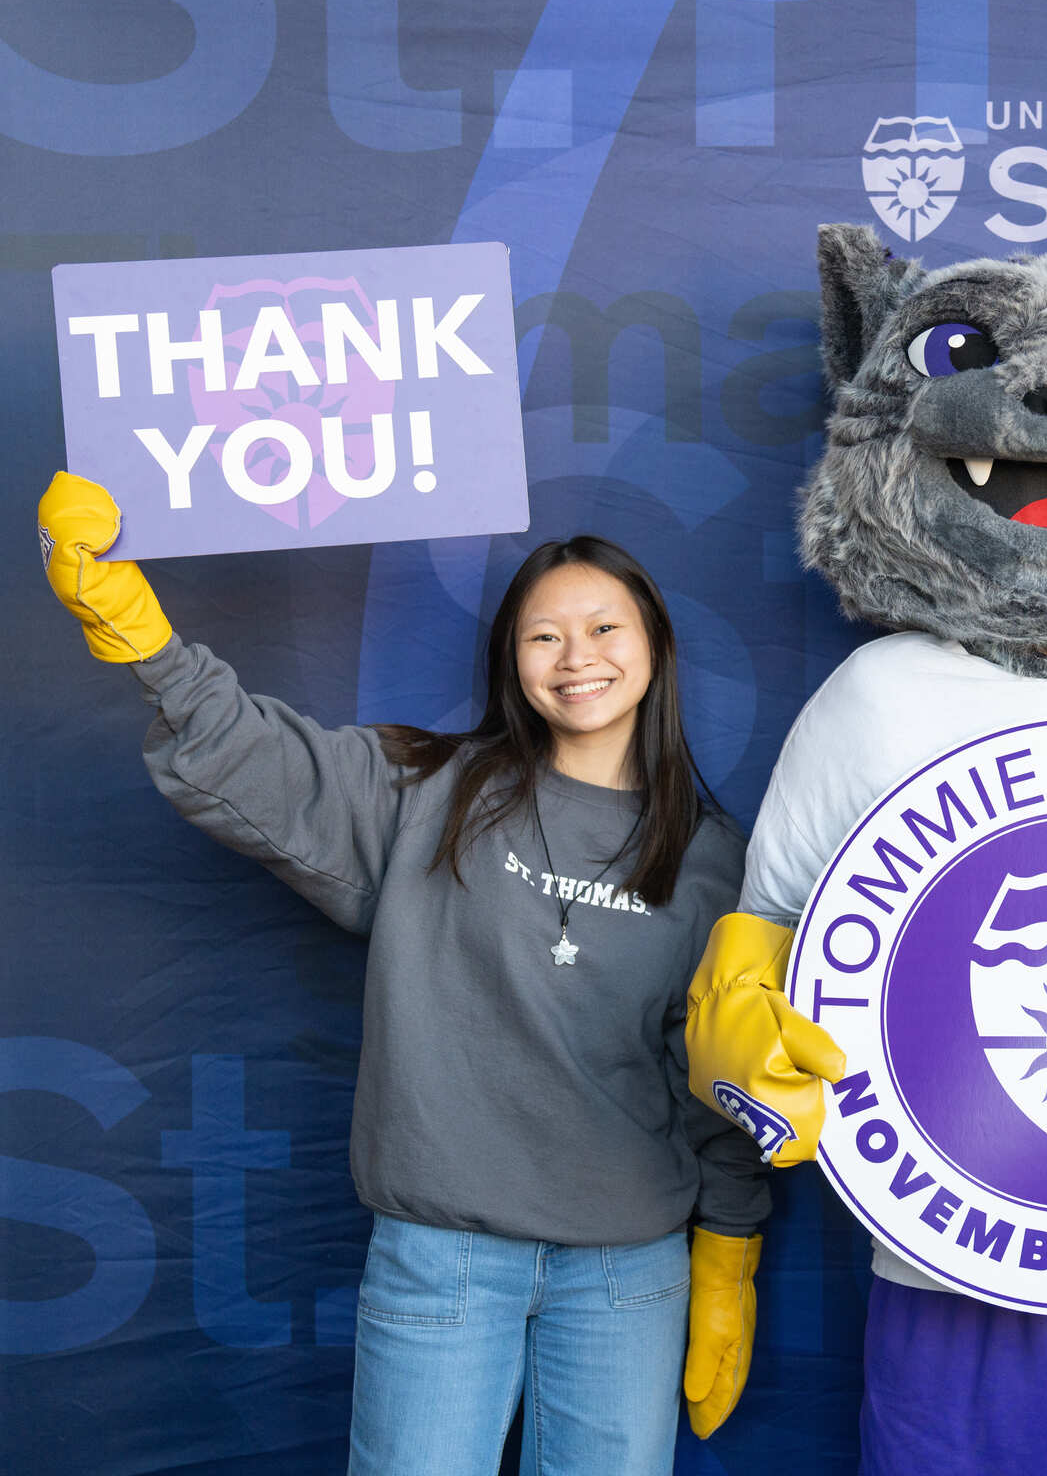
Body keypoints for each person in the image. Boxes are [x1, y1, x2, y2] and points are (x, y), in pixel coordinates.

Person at [36, 473, 771, 1474]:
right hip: (447, 1255)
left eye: (605, 627)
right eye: (543, 636)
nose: (578, 658)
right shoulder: (427, 791)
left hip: (627, 1272)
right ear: (513, 665)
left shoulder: (711, 856)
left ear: (654, 645)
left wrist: (730, 1246)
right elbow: (262, 760)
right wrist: (146, 641)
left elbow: (719, 1073)